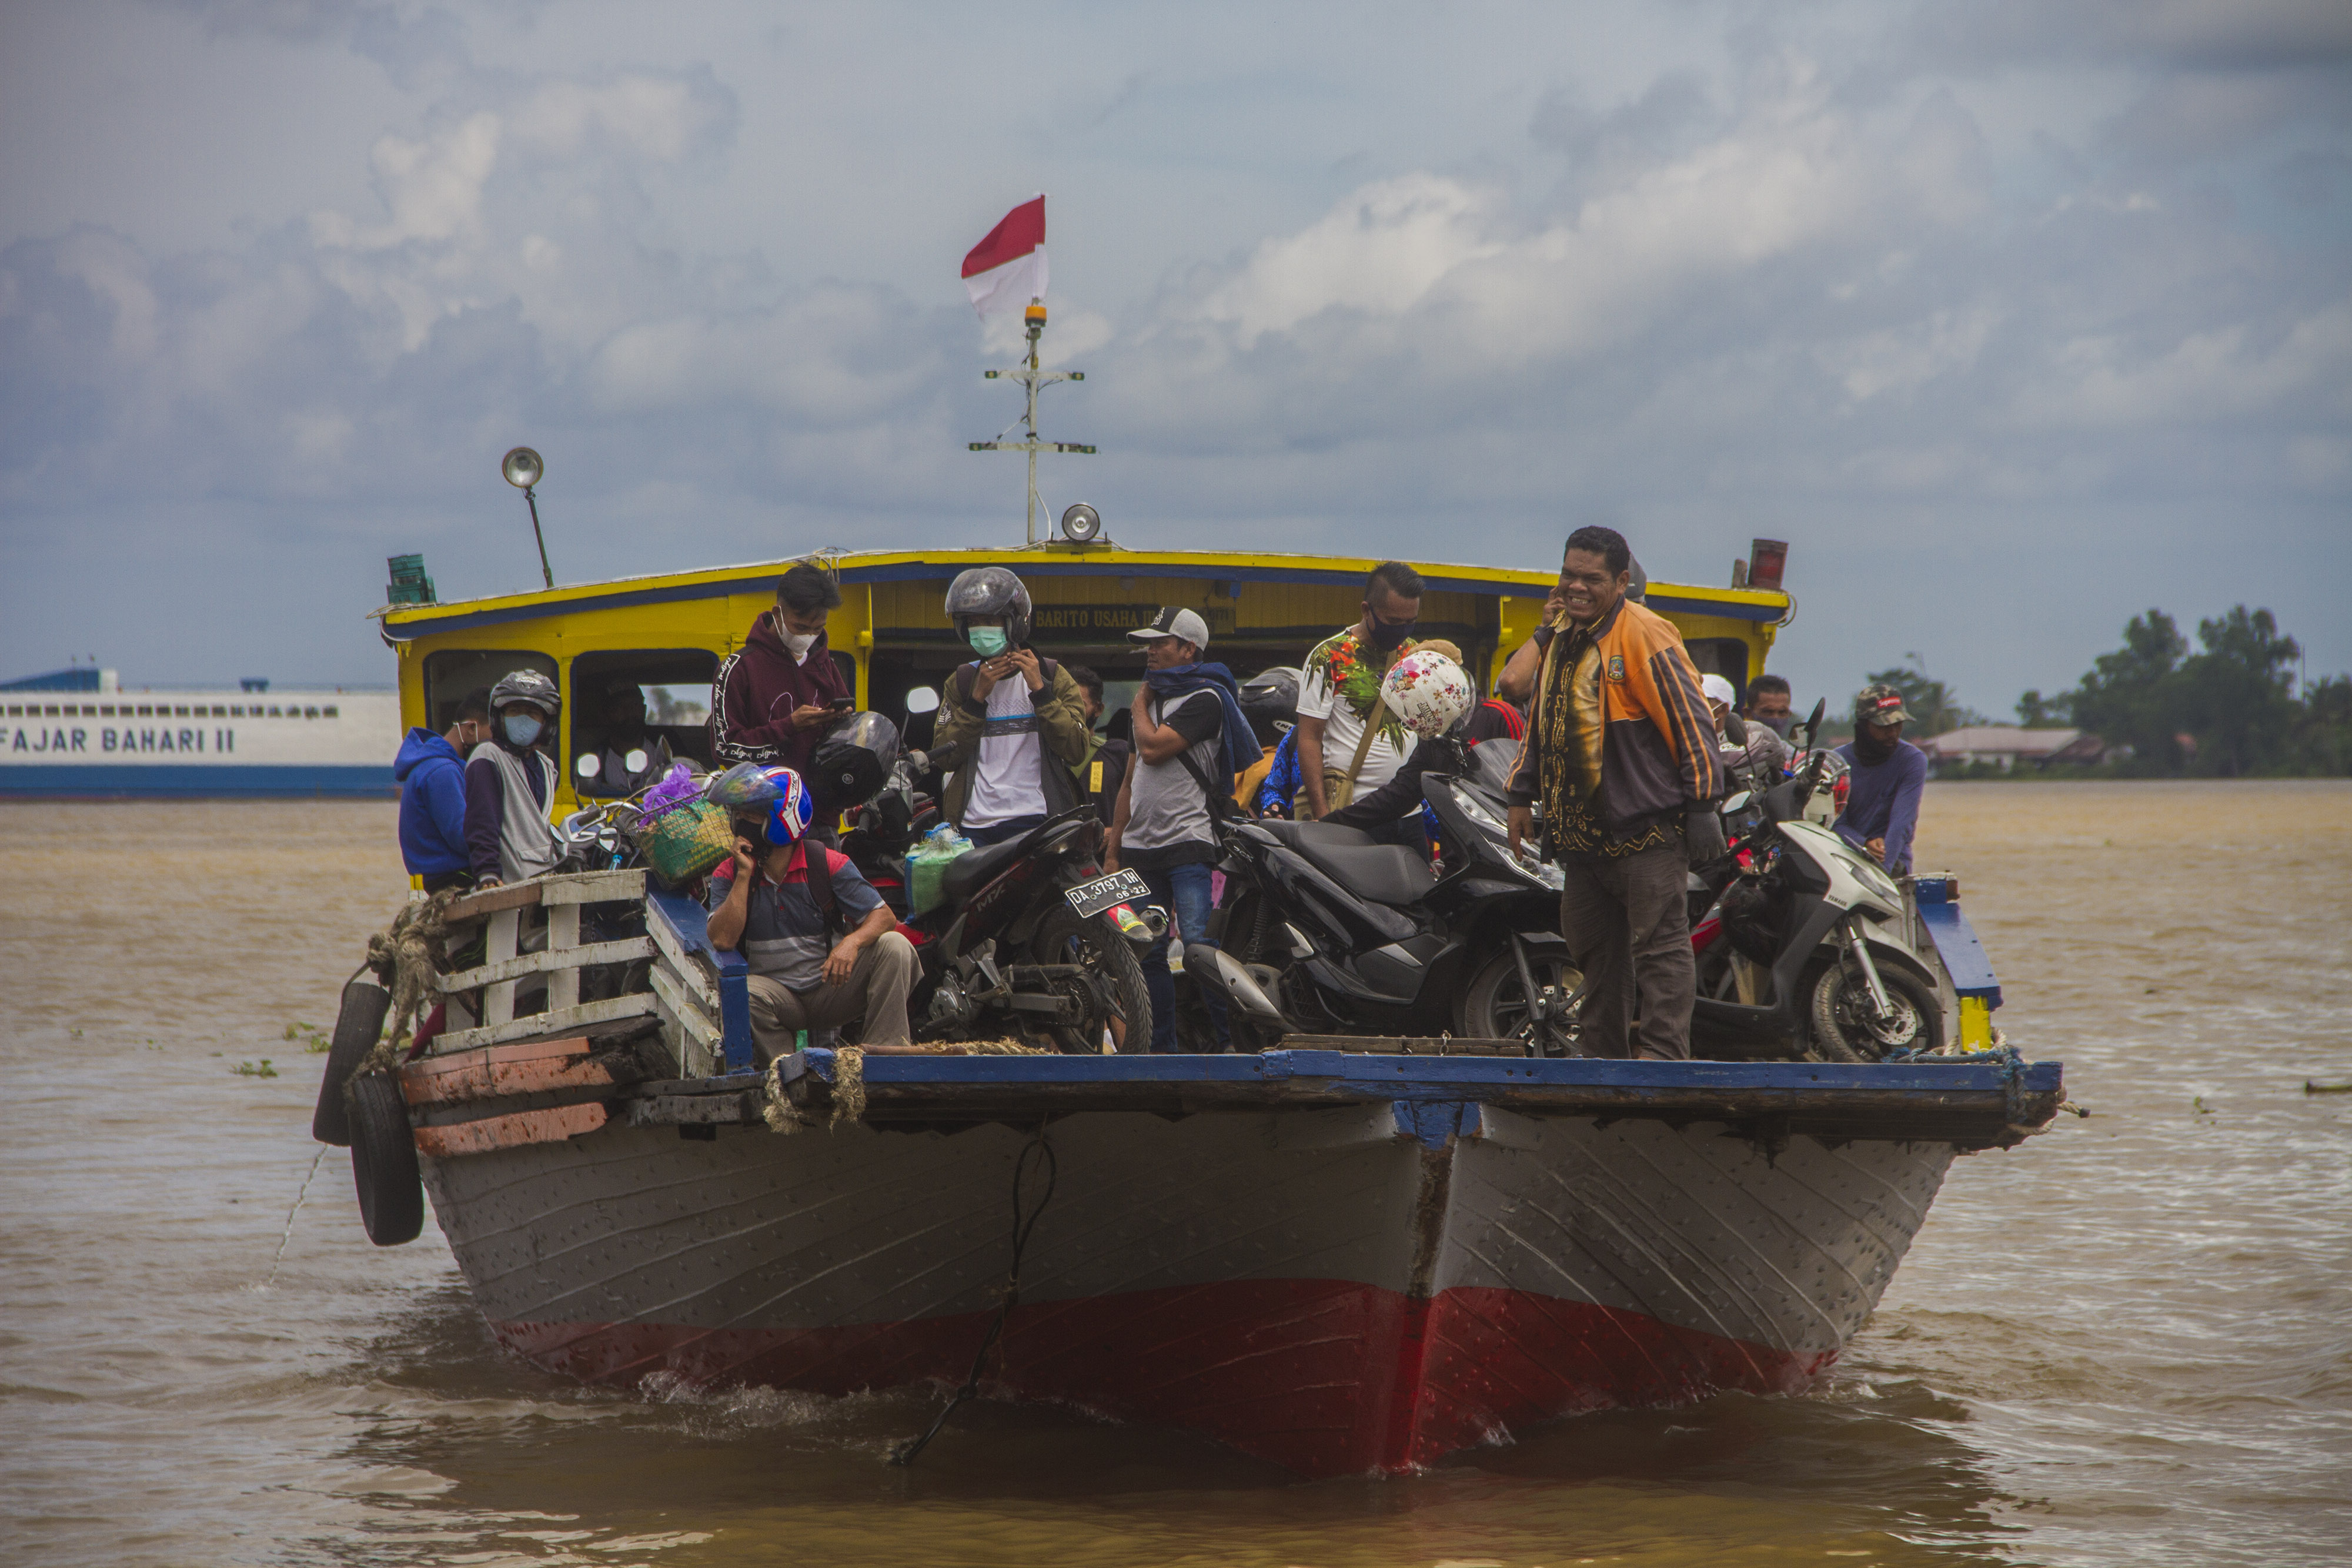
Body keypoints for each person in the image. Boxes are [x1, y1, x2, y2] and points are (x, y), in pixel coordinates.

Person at [1504, 527, 1723, 1061]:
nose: (1576, 587)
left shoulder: (1645, 632)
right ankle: (1604, 1065)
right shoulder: (1559, 632)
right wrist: (1519, 795)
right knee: (1594, 954)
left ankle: (1664, 1061)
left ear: (1622, 581)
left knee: (1661, 950)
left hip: (1644, 831)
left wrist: (1703, 806)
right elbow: (1539, 722)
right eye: (1569, 575)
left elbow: (1693, 723)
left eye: (1591, 579)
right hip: (1581, 840)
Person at [1105, 607, 1256, 1052]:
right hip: (1140, 848)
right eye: (1148, 644)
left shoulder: (1206, 699)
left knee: (1197, 948)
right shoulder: (1149, 704)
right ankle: (1162, 1050)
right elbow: (1129, 782)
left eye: (1160, 643)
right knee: (1147, 951)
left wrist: (1136, 705)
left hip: (1188, 844)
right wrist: (1114, 849)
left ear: (1188, 648)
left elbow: (1152, 749)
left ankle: (1229, 1044)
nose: (1150, 652)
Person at [705, 767, 916, 1066]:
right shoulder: (729, 873)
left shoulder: (826, 863)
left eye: (751, 815)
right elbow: (723, 940)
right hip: (776, 997)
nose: (740, 822)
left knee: (895, 946)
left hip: (829, 988)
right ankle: (788, 1079)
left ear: (783, 818)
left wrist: (851, 943)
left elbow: (884, 917)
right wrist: (743, 876)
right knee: (745, 994)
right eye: (738, 814)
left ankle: (886, 1061)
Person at [931, 566, 1092, 846]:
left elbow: (1077, 749)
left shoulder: (1053, 676)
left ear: (1014, 623)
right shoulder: (962, 681)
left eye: (990, 620)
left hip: (1036, 820)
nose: (981, 629)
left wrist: (1041, 693)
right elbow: (944, 756)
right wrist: (976, 701)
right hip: (973, 825)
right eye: (973, 621)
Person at [1296, 561, 1425, 834]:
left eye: (1410, 622)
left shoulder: (1416, 657)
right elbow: (1309, 738)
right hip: (1351, 816)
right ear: (1366, 610)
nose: (1402, 630)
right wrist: (1324, 816)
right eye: (1393, 622)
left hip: (1409, 815)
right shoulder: (1328, 656)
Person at [714, 562, 851, 773]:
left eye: (818, 628)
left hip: (822, 805)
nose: (809, 636)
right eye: (801, 627)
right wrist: (789, 727)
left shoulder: (826, 666)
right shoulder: (737, 668)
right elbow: (725, 749)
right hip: (765, 803)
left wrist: (844, 723)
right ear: (777, 613)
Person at [465, 669, 567, 889]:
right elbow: (482, 820)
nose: (523, 718)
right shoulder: (489, 757)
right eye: (515, 711)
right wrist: (487, 872)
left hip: (543, 881)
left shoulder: (547, 767)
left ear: (546, 723)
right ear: (500, 717)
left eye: (532, 713)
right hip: (508, 885)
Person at [395, 687, 489, 893]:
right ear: (471, 729)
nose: (493, 749)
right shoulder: (442, 772)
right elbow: (463, 835)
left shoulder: (434, 764)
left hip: (439, 877)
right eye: (490, 740)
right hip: (454, 879)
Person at [1835, 684, 1927, 873]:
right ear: (1863, 726)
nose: (1893, 733)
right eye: (1884, 726)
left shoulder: (1912, 760)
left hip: (1892, 860)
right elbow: (1837, 824)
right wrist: (1864, 844)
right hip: (1845, 859)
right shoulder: (1837, 762)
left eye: (1898, 724)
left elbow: (1902, 823)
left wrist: (1883, 871)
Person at [577, 682, 674, 798]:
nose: (629, 713)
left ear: (644, 710)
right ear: (607, 715)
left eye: (634, 705)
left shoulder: (663, 747)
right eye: (620, 707)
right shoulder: (597, 757)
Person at [1065, 664, 1130, 825]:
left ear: (1099, 709)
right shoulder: (1042, 754)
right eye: (1064, 703)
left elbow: (1141, 808)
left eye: (1079, 705)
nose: (1070, 711)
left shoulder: (1117, 753)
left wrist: (1115, 833)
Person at [1703, 672, 1790, 787]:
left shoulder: (1760, 736)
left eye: (1700, 702)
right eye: (1768, 712)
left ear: (1722, 710)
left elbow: (1796, 759)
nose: (1775, 719)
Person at [1744, 673, 1795, 739]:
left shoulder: (1784, 748)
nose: (1776, 720)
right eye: (1768, 712)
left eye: (1782, 712)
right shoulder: (1734, 747)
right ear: (1748, 714)